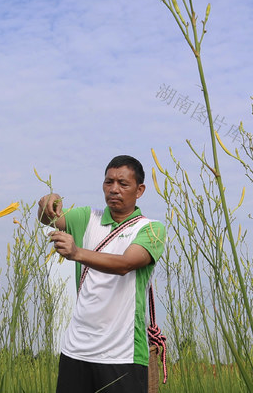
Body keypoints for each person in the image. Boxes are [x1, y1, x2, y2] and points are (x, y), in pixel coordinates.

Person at [37, 155, 167, 393]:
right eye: (109, 182)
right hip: (76, 350)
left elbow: (125, 264)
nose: (114, 189)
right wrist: (48, 202)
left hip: (122, 354)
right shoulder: (87, 218)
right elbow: (50, 219)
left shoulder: (151, 229)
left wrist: (77, 252)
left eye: (123, 184)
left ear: (140, 190)